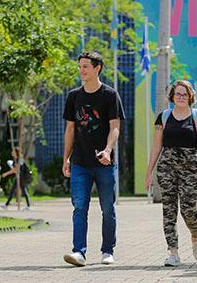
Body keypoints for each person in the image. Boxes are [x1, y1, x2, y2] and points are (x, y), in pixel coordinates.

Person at [62, 51, 125, 267]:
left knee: (107, 207)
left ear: (97, 68)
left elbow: (115, 127)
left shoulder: (109, 95)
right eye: (80, 66)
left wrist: (107, 150)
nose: (81, 70)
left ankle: (108, 250)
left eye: (85, 66)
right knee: (80, 207)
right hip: (80, 162)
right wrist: (66, 158)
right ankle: (78, 251)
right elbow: (70, 129)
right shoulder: (73, 96)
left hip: (104, 163)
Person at [145, 80, 197, 267]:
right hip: (167, 168)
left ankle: (195, 236)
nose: (181, 97)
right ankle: (173, 252)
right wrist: (149, 173)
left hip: (190, 168)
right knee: (169, 210)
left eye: (185, 94)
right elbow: (157, 146)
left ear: (190, 97)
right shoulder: (164, 117)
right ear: (172, 96)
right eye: (178, 94)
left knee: (188, 210)